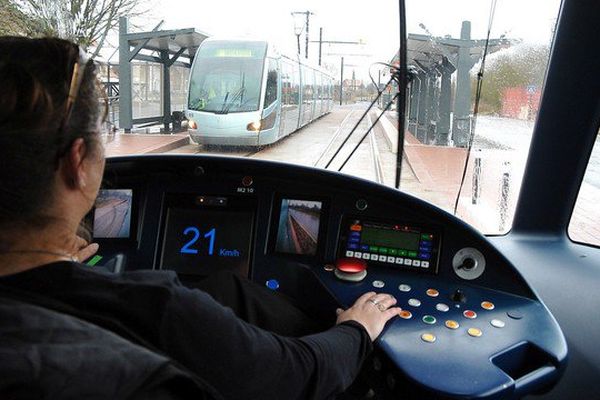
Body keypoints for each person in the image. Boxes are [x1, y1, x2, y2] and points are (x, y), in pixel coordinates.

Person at [0, 37, 401, 399]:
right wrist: (356, 329)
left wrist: (57, 274)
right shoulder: (160, 308)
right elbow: (297, 374)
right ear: (78, 164)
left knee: (229, 290)